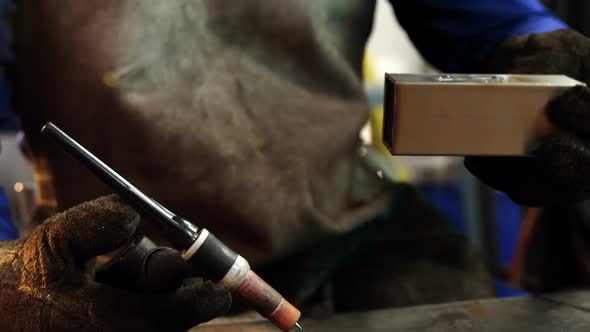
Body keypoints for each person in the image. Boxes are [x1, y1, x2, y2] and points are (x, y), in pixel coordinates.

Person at [3, 0, 590, 330]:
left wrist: (540, 79)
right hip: (115, 281)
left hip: (358, 239)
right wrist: (8, 273)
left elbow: (491, 22)